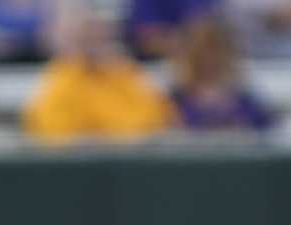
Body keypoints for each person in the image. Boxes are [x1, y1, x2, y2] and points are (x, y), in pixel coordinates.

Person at [23, 8, 176, 140]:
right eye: (86, 36)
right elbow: (52, 129)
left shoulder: (125, 72)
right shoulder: (62, 76)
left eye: (99, 36)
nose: (93, 43)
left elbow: (155, 117)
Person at [169, 14, 275, 132]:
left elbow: (268, 134)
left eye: (216, 51)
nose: (209, 59)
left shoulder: (245, 102)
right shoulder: (175, 102)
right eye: (203, 52)